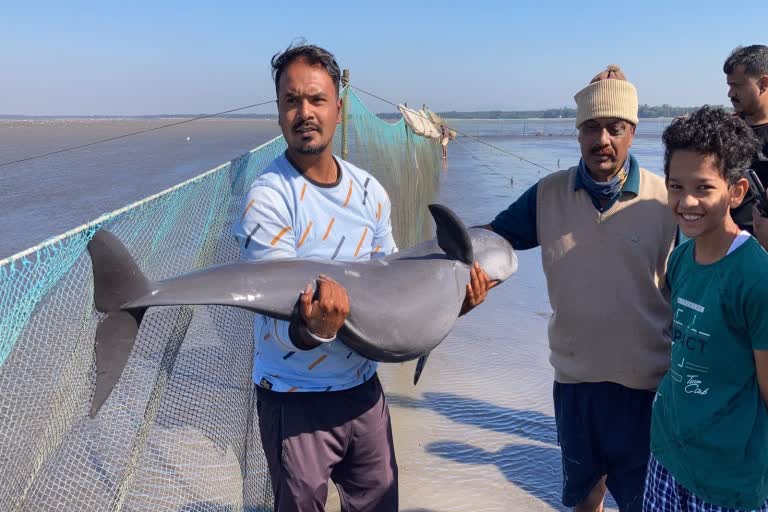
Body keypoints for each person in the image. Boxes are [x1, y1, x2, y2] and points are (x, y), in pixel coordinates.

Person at [234, 42, 492, 512]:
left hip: (363, 392)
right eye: (291, 101)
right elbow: (272, 318)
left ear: (339, 108)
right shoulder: (267, 199)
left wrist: (452, 303)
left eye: (316, 100)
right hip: (295, 399)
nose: (304, 112)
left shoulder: (370, 191)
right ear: (277, 112)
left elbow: (394, 287)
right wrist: (313, 329)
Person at [467, 65, 677, 512]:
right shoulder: (547, 195)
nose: (603, 139)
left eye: (615, 128)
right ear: (578, 132)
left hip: (647, 389)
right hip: (576, 384)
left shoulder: (666, 201)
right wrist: (445, 256)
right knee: (584, 500)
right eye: (592, 128)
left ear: (632, 132)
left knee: (645, 504)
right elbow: (493, 239)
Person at [644, 106, 768, 512]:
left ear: (737, 191)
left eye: (704, 188)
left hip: (727, 479)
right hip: (667, 455)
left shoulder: (755, 277)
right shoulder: (680, 259)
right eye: (676, 186)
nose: (687, 202)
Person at [723, 45, 768, 242]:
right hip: (727, 244)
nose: (730, 93)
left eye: (737, 85)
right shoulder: (725, 130)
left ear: (764, 83)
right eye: (729, 85)